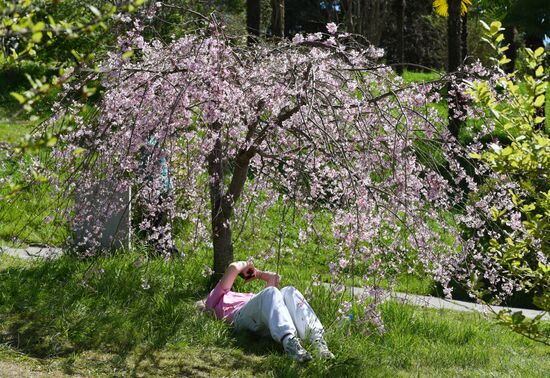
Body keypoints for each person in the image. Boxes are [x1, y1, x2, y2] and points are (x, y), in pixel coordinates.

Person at [204, 260, 334, 362]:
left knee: (289, 291)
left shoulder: (254, 298)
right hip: (239, 318)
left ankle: (318, 342)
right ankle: (290, 342)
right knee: (271, 292)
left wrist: (259, 274)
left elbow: (275, 279)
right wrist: (246, 265)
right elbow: (233, 268)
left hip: (262, 321)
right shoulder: (214, 300)